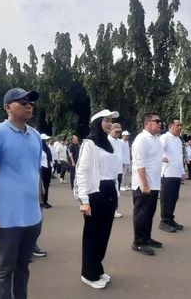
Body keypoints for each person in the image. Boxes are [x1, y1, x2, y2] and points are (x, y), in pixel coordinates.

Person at [0, 88, 42, 299]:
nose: (28, 105)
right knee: (5, 270)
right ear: (7, 107)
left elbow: (35, 171)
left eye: (30, 102)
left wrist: (40, 199)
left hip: (32, 217)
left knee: (23, 268)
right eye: (22, 102)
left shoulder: (35, 135)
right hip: (7, 218)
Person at [75, 109, 120, 289]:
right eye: (106, 120)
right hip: (95, 194)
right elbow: (82, 172)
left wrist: (115, 194)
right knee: (92, 236)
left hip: (109, 192)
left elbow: (113, 172)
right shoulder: (90, 144)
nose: (110, 124)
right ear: (97, 123)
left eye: (111, 121)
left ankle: (97, 268)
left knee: (103, 235)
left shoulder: (109, 144)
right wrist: (84, 200)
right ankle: (88, 273)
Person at [130, 112, 164, 256]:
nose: (159, 124)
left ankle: (147, 238)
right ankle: (138, 242)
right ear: (147, 124)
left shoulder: (156, 139)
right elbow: (139, 163)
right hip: (143, 185)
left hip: (154, 183)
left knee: (149, 214)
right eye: (157, 121)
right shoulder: (141, 139)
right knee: (141, 214)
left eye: (160, 122)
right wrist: (144, 184)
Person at [159, 119, 185, 233]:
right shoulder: (164, 137)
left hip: (176, 173)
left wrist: (182, 171)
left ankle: (170, 219)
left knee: (174, 198)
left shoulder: (178, 140)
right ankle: (164, 221)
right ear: (170, 126)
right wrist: (161, 157)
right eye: (178, 125)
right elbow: (157, 150)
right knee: (167, 199)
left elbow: (179, 156)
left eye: (181, 125)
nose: (180, 127)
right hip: (167, 173)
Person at [107, 123, 124, 218]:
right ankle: (109, 209)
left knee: (117, 192)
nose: (118, 133)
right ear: (110, 131)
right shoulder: (107, 140)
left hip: (119, 170)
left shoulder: (120, 142)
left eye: (119, 131)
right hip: (110, 171)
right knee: (110, 192)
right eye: (116, 131)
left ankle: (114, 209)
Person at [39, 134, 53, 209]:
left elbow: (50, 158)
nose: (48, 142)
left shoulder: (48, 148)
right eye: (46, 140)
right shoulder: (39, 149)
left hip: (48, 168)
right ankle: (42, 201)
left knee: (46, 185)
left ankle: (45, 200)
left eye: (48, 140)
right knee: (42, 186)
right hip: (42, 168)